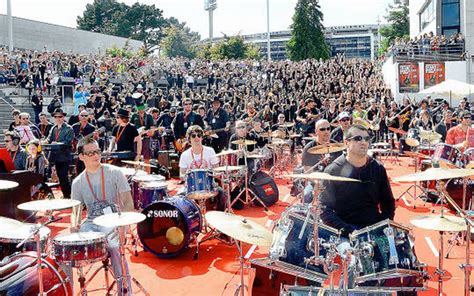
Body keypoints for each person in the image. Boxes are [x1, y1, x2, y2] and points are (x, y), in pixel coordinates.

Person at [319, 124, 399, 291]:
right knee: (354, 261)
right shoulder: (332, 170)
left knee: (397, 256)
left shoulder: (377, 169)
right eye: (358, 138)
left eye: (367, 139)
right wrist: (348, 231)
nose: (364, 142)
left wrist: (383, 226)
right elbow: (325, 210)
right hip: (345, 231)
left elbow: (388, 203)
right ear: (346, 142)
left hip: (373, 228)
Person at [69, 137, 134, 295]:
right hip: (91, 223)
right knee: (64, 248)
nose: (95, 156)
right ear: (81, 156)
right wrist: (74, 225)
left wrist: (124, 227)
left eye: (97, 151)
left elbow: (128, 203)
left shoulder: (115, 172)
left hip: (113, 220)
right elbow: (75, 212)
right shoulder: (77, 182)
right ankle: (69, 290)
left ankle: (125, 289)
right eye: (90, 153)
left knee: (114, 245)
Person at [178, 125, 226, 211]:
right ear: (189, 138)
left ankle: (220, 217)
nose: (197, 138)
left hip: (209, 185)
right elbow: (181, 174)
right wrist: (185, 175)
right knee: (179, 199)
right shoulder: (184, 155)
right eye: (193, 136)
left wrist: (216, 174)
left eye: (199, 135)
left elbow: (217, 169)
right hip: (191, 187)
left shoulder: (210, 151)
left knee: (222, 194)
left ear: (202, 138)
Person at [301, 119, 341, 203]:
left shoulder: (337, 146)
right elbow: (308, 170)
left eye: (328, 129)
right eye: (322, 129)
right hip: (316, 182)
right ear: (316, 131)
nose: (326, 131)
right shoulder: (309, 148)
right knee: (306, 196)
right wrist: (316, 183)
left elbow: (341, 167)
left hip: (333, 182)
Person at [46, 108, 74, 199]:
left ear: (64, 117)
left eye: (60, 116)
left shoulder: (69, 128)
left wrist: (57, 143)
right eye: (56, 116)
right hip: (55, 157)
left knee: (64, 177)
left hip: (64, 157)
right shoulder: (53, 128)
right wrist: (42, 142)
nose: (58, 118)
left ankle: (68, 195)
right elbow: (49, 139)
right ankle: (66, 194)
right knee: (59, 176)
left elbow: (68, 142)